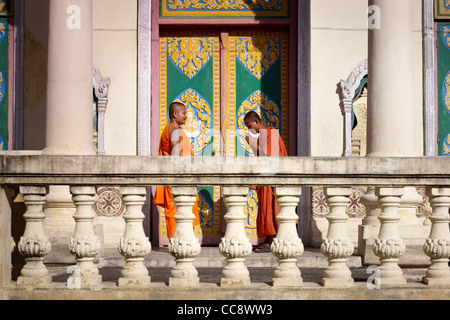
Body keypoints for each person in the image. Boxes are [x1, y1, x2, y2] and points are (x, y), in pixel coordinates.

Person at [153, 102, 201, 239]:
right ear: (175, 114)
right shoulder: (173, 130)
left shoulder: (174, 129)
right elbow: (176, 155)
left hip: (181, 177)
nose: (186, 116)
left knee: (183, 210)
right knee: (176, 210)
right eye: (184, 113)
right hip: (176, 178)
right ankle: (177, 240)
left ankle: (182, 238)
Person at [244, 111, 288, 252]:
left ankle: (272, 240)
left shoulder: (271, 133)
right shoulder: (262, 137)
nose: (249, 129)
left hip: (272, 178)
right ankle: (268, 239)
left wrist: (252, 143)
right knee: (265, 209)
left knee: (271, 208)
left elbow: (267, 157)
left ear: (256, 121)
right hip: (265, 178)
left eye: (250, 126)